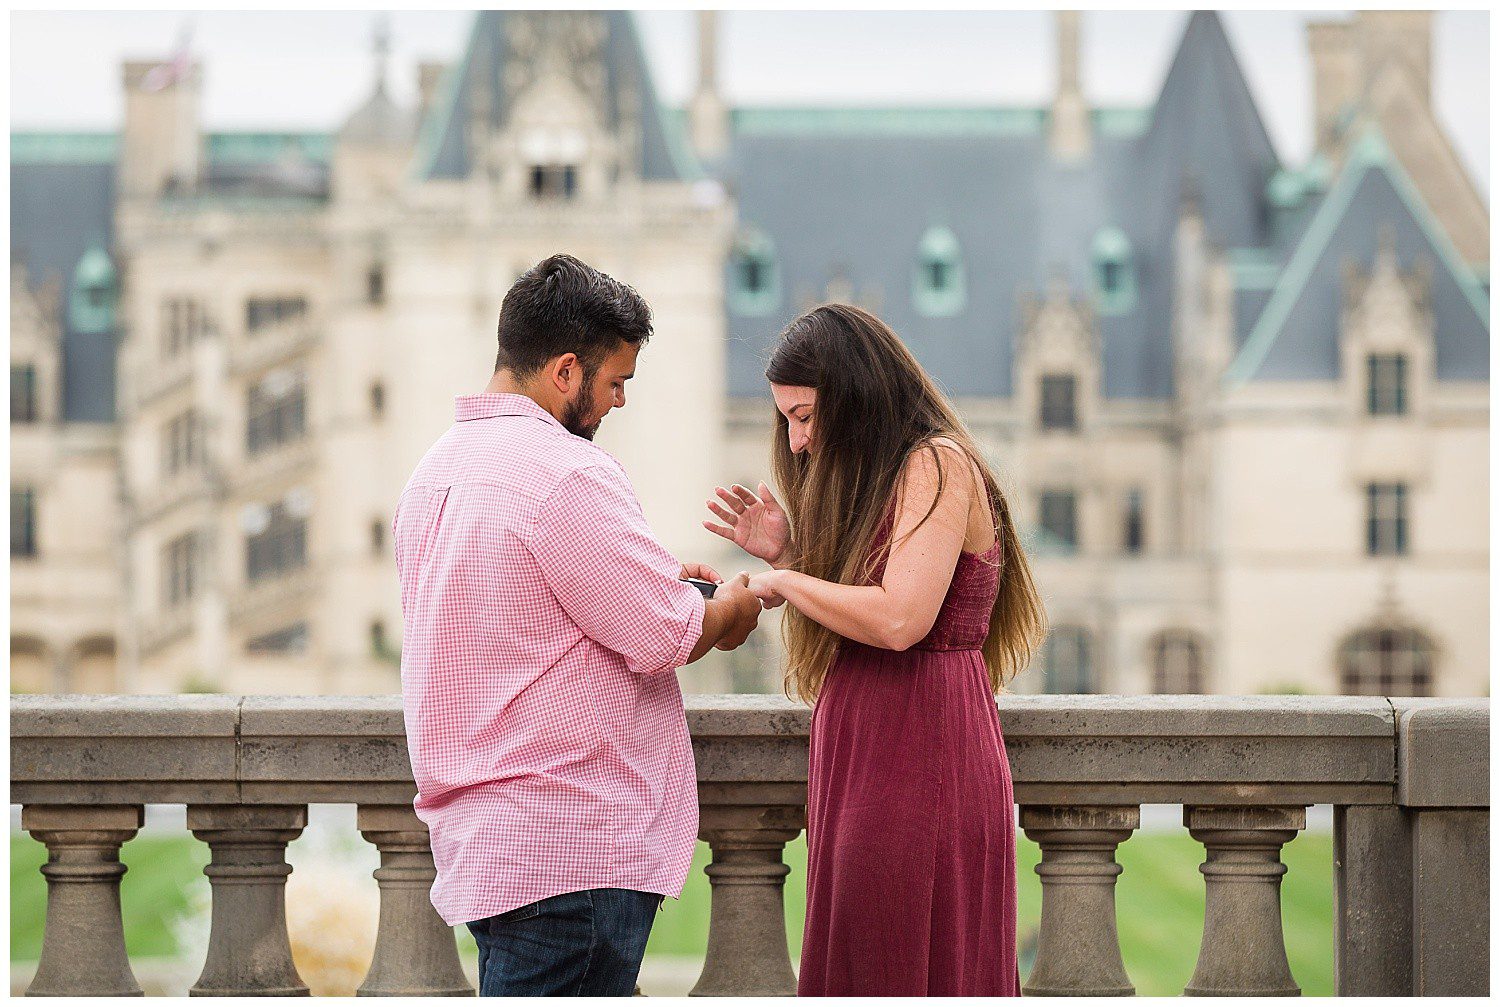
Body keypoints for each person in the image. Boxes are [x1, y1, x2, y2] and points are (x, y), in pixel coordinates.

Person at [394, 253, 762, 997]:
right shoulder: (567, 473)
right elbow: (666, 634)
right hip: (572, 855)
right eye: (616, 380)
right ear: (566, 371)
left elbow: (536, 616)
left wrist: (667, 593)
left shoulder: (432, 472)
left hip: (486, 853)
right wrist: (731, 606)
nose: (619, 402)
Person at [703, 303, 1046, 997]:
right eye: (786, 421)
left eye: (804, 416)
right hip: (867, 753)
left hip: (919, 756)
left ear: (855, 395)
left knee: (899, 956)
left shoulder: (938, 464)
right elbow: (877, 599)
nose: (796, 443)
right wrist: (792, 549)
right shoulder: (897, 471)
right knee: (867, 955)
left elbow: (899, 620)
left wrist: (787, 579)